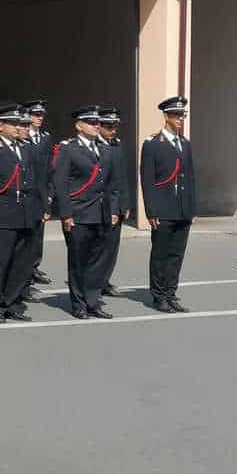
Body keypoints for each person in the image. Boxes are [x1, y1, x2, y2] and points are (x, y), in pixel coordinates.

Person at [52, 106, 119, 320]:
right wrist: (66, 214)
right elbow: (60, 184)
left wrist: (114, 209)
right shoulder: (68, 149)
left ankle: (92, 300)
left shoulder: (105, 149)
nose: (96, 125)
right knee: (79, 261)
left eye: (98, 122)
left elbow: (111, 183)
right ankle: (79, 303)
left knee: (98, 261)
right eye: (91, 122)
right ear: (79, 126)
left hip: (101, 213)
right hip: (79, 213)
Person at [0, 105, 41, 323]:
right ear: (0, 126)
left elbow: (34, 182)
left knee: (22, 263)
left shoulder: (26, 148)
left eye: (19, 124)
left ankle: (12, 303)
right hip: (3, 215)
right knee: (1, 262)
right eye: (12, 124)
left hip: (26, 214)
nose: (17, 127)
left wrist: (39, 211)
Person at [141, 96, 196, 313]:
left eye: (182, 115)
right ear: (166, 116)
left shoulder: (185, 144)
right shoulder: (153, 144)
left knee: (176, 255)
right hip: (163, 210)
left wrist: (192, 208)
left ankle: (171, 293)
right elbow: (147, 180)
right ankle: (158, 296)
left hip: (182, 209)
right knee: (160, 254)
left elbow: (190, 178)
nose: (180, 119)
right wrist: (151, 210)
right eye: (176, 115)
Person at [97, 107, 131, 295]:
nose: (113, 130)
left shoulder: (116, 144)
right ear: (99, 126)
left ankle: (105, 280)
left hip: (118, 204)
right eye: (109, 126)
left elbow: (122, 176)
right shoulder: (95, 146)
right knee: (99, 247)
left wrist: (125, 204)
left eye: (115, 126)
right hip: (102, 206)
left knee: (112, 247)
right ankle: (95, 281)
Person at [22, 99, 53, 288]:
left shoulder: (45, 137)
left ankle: (34, 267)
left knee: (38, 234)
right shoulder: (22, 137)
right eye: (36, 115)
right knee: (27, 235)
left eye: (41, 115)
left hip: (41, 191)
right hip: (27, 192)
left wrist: (50, 191)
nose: (39, 118)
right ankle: (24, 274)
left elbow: (49, 167)